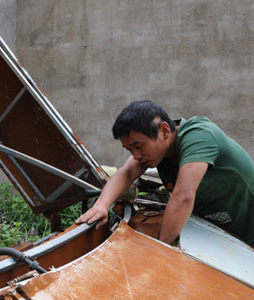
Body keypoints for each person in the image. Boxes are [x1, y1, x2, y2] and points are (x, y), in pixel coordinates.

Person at [76, 100, 254, 247]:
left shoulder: (199, 135)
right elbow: (127, 172)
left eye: (139, 146)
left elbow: (183, 196)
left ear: (164, 131)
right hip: (225, 238)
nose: (136, 156)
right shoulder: (158, 154)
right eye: (130, 150)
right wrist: (101, 205)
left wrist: (160, 251)